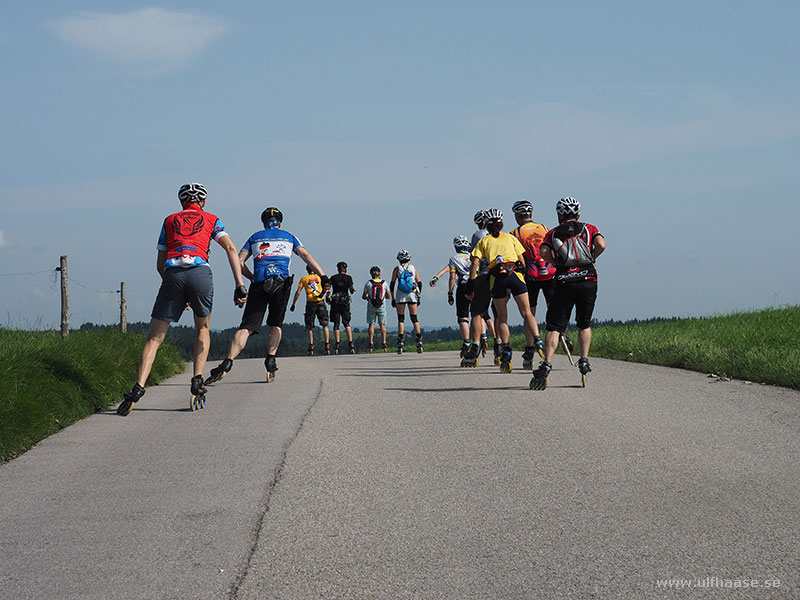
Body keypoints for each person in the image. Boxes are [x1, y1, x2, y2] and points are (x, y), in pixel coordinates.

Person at [117, 183, 247, 416]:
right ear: (203, 203)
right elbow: (230, 248)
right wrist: (239, 284)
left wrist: (175, 288)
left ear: (181, 203)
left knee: (155, 337)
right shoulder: (212, 219)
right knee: (203, 328)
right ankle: (197, 381)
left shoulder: (169, 221)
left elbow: (159, 263)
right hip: (200, 273)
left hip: (173, 274)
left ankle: (137, 389)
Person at [205, 207, 329, 384]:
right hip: (281, 284)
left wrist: (248, 279)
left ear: (263, 223)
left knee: (246, 327)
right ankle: (270, 360)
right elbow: (304, 254)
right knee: (275, 324)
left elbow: (239, 261)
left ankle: (228, 362)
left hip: (259, 283)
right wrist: (323, 275)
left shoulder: (255, 237)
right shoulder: (289, 236)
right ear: (280, 222)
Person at [530, 197, 606, 390]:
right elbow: (602, 245)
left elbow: (544, 252)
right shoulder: (590, 228)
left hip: (564, 280)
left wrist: (557, 264)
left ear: (559, 214)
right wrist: (591, 258)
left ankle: (546, 364)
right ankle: (584, 360)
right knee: (584, 323)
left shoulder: (553, 233)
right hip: (588, 278)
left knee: (554, 326)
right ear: (578, 214)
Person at [464, 208, 540, 372]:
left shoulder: (481, 239)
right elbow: (522, 261)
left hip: (491, 278)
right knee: (515, 314)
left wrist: (471, 282)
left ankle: (491, 348)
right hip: (513, 275)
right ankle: (529, 342)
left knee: (490, 315)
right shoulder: (510, 237)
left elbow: (474, 262)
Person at [509, 199, 554, 368]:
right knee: (554, 311)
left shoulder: (514, 233)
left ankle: (529, 350)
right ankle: (559, 336)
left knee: (529, 314)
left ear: (517, 215)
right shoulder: (544, 228)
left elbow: (514, 257)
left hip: (530, 277)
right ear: (531, 214)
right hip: (550, 274)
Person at [429, 235, 472, 356]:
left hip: (463, 286)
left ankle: (467, 343)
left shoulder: (454, 259)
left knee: (463, 317)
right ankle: (486, 339)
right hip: (478, 285)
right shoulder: (474, 255)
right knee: (480, 315)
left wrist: (450, 293)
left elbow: (452, 276)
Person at [468, 209, 498, 361]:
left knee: (477, 313)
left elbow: (474, 259)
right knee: (499, 314)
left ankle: (476, 345)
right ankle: (500, 347)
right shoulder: (502, 235)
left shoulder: (477, 235)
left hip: (484, 275)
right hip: (500, 276)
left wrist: (471, 282)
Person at [291, 265, 331, 355]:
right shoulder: (320, 278)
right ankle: (327, 344)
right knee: (325, 324)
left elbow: (298, 292)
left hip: (310, 303)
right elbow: (328, 290)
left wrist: (293, 304)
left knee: (310, 326)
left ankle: (311, 346)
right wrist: (328, 297)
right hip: (320, 302)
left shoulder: (304, 279)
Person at [390, 250, 423, 353]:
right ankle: (419, 341)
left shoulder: (397, 269)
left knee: (401, 319)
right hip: (412, 294)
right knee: (414, 318)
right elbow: (419, 283)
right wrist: (419, 297)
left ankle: (400, 342)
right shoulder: (413, 268)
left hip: (400, 294)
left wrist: (393, 299)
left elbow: (392, 284)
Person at [327, 261, 357, 354]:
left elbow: (328, 289)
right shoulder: (349, 278)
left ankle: (337, 344)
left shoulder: (333, 278)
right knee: (347, 323)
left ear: (338, 269)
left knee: (336, 324)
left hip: (335, 302)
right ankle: (351, 344)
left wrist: (327, 297)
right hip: (345, 302)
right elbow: (351, 289)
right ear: (346, 269)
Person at [362, 265, 391, 352]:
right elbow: (389, 296)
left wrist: (368, 298)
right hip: (382, 306)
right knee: (382, 325)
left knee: (371, 324)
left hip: (371, 306)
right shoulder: (384, 283)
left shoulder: (368, 283)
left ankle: (371, 342)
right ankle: (384, 342)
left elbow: (363, 296)